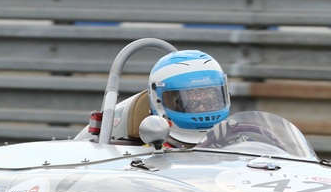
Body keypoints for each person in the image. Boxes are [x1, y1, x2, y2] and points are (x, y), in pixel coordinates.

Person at [85, 49, 230, 147]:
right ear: (159, 100)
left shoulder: (236, 141)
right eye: (191, 100)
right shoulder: (147, 155)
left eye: (210, 99)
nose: (202, 107)